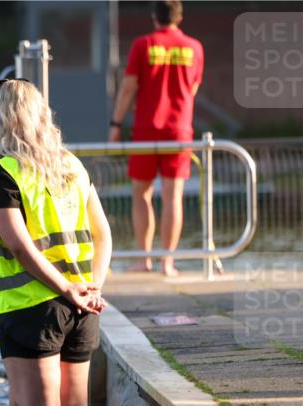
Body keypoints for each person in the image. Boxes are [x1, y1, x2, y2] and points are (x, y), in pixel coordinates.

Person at [0, 78, 115, 406]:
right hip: (81, 307)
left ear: (1, 119)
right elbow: (103, 235)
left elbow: (20, 246)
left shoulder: (3, 172)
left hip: (32, 309)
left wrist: (64, 288)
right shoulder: (71, 166)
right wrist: (90, 289)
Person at [109, 0, 204, 276]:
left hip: (146, 129)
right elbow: (193, 88)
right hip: (179, 130)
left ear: (154, 17)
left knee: (142, 194)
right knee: (174, 197)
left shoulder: (143, 45)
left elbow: (128, 88)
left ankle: (144, 259)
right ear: (180, 17)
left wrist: (116, 124)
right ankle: (168, 263)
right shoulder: (195, 48)